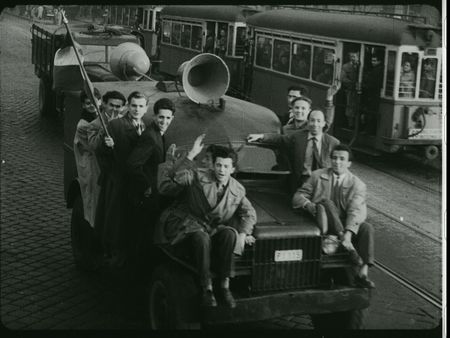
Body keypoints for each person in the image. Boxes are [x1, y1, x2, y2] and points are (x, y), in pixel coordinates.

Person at [156, 138, 257, 308]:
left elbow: (249, 213)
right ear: (213, 165)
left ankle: (225, 287)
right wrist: (191, 156)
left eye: (226, 166)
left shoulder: (237, 189)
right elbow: (173, 179)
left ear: (232, 169)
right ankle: (207, 288)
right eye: (218, 165)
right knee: (201, 237)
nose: (221, 170)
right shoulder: (197, 176)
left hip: (211, 229)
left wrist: (243, 233)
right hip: (187, 227)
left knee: (229, 233)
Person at [292, 144, 375, 289]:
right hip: (322, 220)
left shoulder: (357, 184)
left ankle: (363, 271)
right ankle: (346, 244)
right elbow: (298, 196)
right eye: (334, 158)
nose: (337, 162)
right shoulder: (317, 175)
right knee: (327, 203)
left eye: (342, 159)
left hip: (345, 222)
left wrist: (349, 234)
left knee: (367, 228)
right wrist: (308, 204)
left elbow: (355, 211)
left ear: (349, 163)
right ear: (330, 160)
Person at [95, 91, 153, 267]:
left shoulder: (146, 126)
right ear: (128, 106)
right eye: (134, 105)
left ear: (146, 108)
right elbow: (100, 153)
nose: (136, 109)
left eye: (141, 106)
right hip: (118, 182)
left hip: (135, 184)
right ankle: (112, 257)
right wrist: (107, 150)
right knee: (115, 222)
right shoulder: (116, 125)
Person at [126, 98, 176, 255]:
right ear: (154, 116)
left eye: (168, 118)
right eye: (161, 117)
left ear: (172, 118)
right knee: (143, 236)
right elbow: (132, 164)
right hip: (147, 195)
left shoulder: (158, 134)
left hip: (153, 193)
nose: (164, 121)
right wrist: (146, 186)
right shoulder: (150, 136)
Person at [247, 109, 340, 191]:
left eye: (319, 121)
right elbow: (280, 139)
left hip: (323, 184)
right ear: (308, 122)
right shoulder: (298, 137)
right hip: (302, 182)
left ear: (324, 123)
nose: (315, 124)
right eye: (312, 120)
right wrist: (262, 136)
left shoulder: (333, 142)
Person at [73, 88, 102, 228]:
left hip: (96, 163)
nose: (93, 105)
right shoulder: (83, 125)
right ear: (83, 105)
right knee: (93, 197)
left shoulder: (98, 116)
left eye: (95, 102)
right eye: (88, 103)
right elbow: (94, 145)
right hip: (91, 166)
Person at [361, 54, 384, 134]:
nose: (372, 62)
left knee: (371, 113)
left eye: (375, 61)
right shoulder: (377, 69)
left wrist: (365, 85)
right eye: (372, 60)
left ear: (379, 61)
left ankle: (368, 130)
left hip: (374, 95)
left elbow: (372, 83)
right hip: (374, 95)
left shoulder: (377, 70)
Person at [340, 51, 359, 128]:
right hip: (351, 91)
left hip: (361, 91)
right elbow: (343, 78)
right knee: (350, 108)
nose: (352, 58)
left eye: (354, 56)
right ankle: (350, 125)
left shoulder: (361, 65)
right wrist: (353, 83)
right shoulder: (345, 66)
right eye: (351, 57)